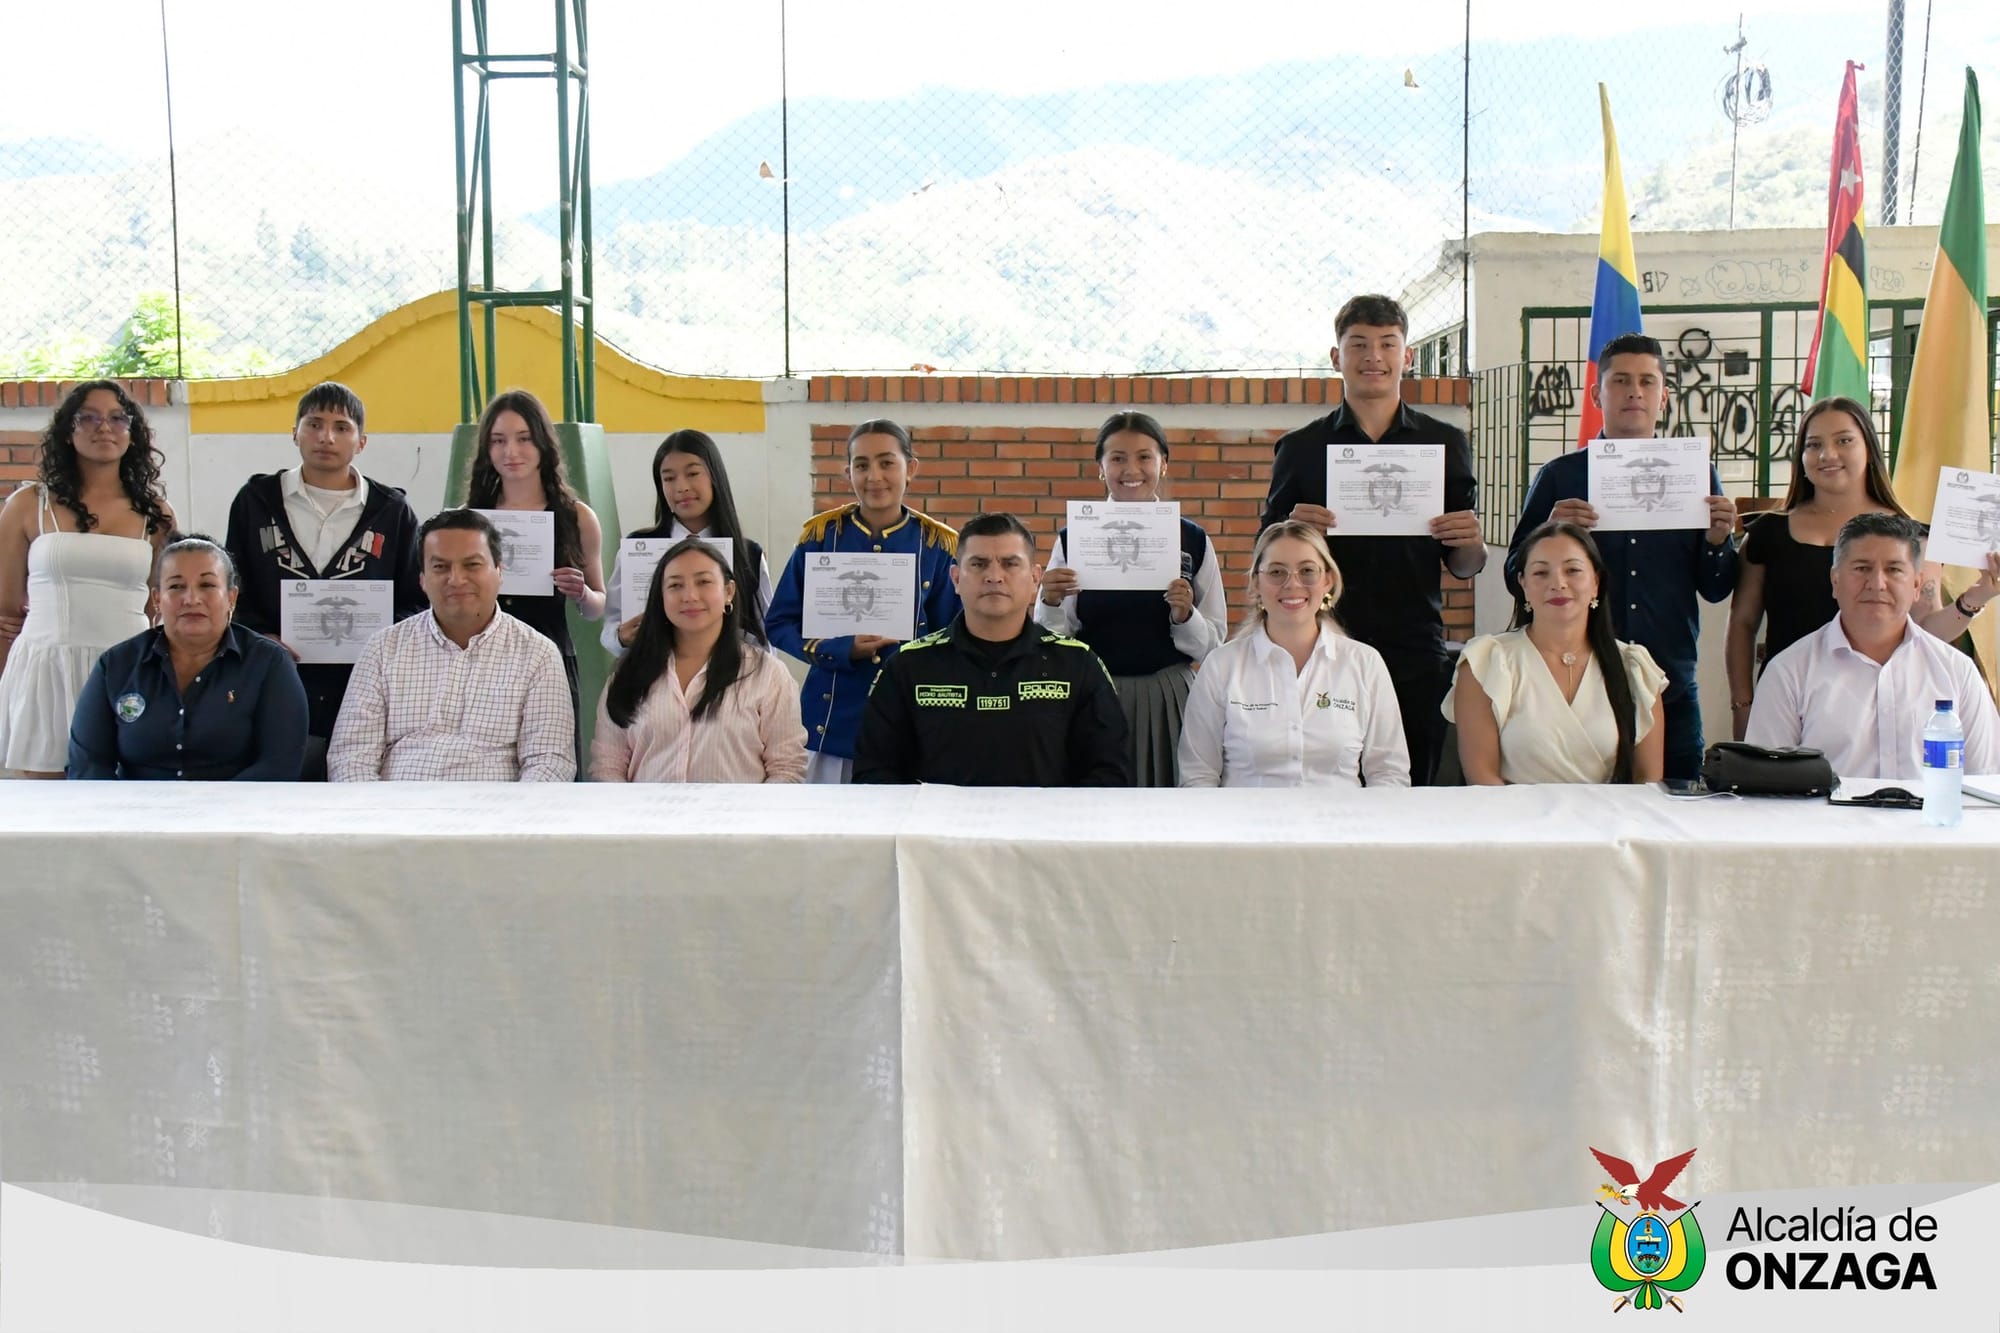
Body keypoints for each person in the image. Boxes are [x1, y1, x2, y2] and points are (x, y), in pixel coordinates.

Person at [1260, 293, 1485, 786]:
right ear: (1336, 356)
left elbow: (1463, 564)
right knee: (1325, 782)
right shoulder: (1301, 448)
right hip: (1323, 645)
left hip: (1414, 646)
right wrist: (1292, 531)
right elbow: (1267, 556)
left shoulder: (1445, 443)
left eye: (1387, 344)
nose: (1373, 357)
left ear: (1408, 356)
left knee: (1408, 786)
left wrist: (1473, 541)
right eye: (1358, 344)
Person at [1505, 333, 1738, 781]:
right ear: (1597, 394)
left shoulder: (1694, 474)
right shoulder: (1560, 477)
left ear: (1664, 396)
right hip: (1578, 686)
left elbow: (1715, 588)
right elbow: (1513, 573)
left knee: (1677, 805)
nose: (1635, 392)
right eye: (1621, 381)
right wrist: (1546, 534)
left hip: (1669, 682)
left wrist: (1717, 541)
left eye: (1648, 382)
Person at [1726, 396, 2000, 739]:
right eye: (1814, 445)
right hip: (1790, 704)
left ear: (1869, 448)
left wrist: (1976, 598)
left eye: (1843, 440)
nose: (1827, 454)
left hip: (1888, 702)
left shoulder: (1911, 535)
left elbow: (1926, 629)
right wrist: (1743, 705)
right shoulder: (1768, 532)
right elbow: (1742, 624)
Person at [223, 381, 425, 779]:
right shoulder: (256, 501)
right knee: (279, 783)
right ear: (294, 433)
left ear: (361, 442)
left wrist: (379, 639)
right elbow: (232, 590)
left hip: (364, 685)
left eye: (341, 427)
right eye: (314, 424)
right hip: (275, 677)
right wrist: (260, 635)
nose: (326, 437)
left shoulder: (392, 511)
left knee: (355, 787)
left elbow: (417, 600)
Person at [853, 512, 1130, 786]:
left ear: (1035, 578)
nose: (994, 576)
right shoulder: (909, 666)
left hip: (1047, 818)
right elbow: (875, 773)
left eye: (1010, 564)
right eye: (978, 564)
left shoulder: (1078, 664)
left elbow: (1108, 774)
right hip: (933, 817)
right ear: (955, 578)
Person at [1036, 411, 1226, 785]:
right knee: (1095, 800)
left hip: (1168, 695)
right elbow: (1053, 639)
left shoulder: (1192, 540)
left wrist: (1185, 616)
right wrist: (1051, 601)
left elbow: (1214, 646)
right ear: (1100, 468)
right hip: (1093, 692)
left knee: (1168, 798)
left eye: (1144, 457)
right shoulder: (1075, 539)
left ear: (1163, 464)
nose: (1131, 469)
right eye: (1118, 458)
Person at [768, 418, 961, 782]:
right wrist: (838, 649)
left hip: (909, 722)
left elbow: (952, 634)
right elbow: (779, 623)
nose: (874, 476)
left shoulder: (936, 545)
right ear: (848, 473)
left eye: (887, 462)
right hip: (830, 723)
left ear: (910, 468)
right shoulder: (821, 537)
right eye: (861, 465)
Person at [0, 381, 176, 777]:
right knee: (47, 802)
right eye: (89, 418)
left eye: (117, 418)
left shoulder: (157, 514)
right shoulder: (28, 504)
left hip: (127, 670)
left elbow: (159, 607)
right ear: (68, 430)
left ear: (132, 433)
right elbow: (5, 614)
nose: (105, 428)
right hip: (47, 669)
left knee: (130, 795)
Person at [327, 508, 575, 782]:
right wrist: (378, 809)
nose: (456, 579)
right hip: (395, 805)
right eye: (440, 567)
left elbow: (549, 763)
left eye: (472, 565)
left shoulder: (538, 654)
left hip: (496, 806)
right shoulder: (383, 648)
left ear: (499, 571)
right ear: (422, 579)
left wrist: (510, 811)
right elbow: (350, 757)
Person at [1745, 513, 2000, 778]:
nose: (1877, 584)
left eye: (1894, 570)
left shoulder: (1957, 672)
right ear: (1835, 581)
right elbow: (1767, 785)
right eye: (1862, 568)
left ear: (1916, 585)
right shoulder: (1789, 672)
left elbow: (1987, 781)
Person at [1177, 521, 1407, 788]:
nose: (1292, 584)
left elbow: (1389, 774)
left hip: (1341, 816)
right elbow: (1197, 777)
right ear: (1256, 583)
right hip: (1248, 817)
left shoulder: (1365, 663)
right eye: (1277, 572)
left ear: (1328, 580)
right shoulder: (1221, 666)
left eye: (1307, 570)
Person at [1446, 520, 1668, 785]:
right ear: (1523, 584)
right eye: (1541, 573)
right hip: (1513, 812)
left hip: (1613, 813)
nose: (1558, 583)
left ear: (1596, 582)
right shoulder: (1487, 662)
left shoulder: (1634, 667)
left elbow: (1647, 782)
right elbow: (1483, 777)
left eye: (1573, 570)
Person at [68, 536, 306, 780]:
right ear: (157, 599)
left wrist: (213, 803)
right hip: (135, 804)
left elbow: (280, 764)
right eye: (176, 586)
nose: (192, 599)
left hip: (238, 803)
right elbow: (87, 765)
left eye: (207, 585)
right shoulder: (116, 665)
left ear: (231, 597)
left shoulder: (269, 663)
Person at [590, 538, 806, 782]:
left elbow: (787, 767)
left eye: (703, 582)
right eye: (675, 585)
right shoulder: (630, 672)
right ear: (661, 597)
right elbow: (607, 765)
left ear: (728, 592)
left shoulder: (767, 674)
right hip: (644, 808)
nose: (690, 596)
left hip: (738, 808)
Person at [466, 389, 606, 746]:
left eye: (524, 438)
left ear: (543, 443)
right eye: (499, 440)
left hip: (550, 659)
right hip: (482, 664)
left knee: (550, 762)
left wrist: (582, 593)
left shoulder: (577, 517)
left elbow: (598, 606)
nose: (511, 451)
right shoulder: (470, 519)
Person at [600, 429, 773, 657]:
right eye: (669, 478)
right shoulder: (637, 547)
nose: (681, 487)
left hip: (730, 673)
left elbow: (766, 638)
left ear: (715, 476)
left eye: (692, 473)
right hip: (654, 671)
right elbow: (611, 626)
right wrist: (621, 637)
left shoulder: (748, 554)